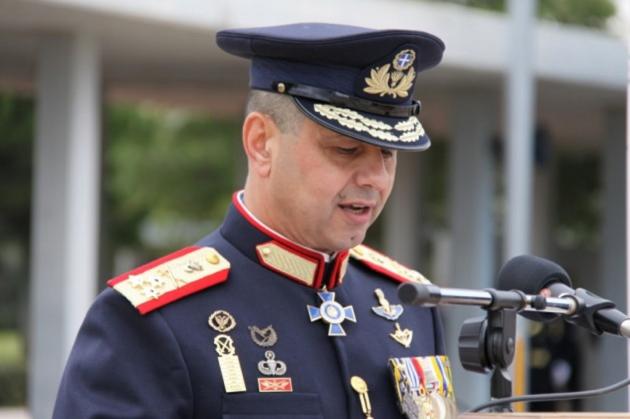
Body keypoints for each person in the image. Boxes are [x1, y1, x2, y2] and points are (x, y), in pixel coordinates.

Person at [53, 22, 456, 418]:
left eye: (387, 154)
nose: (375, 179)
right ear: (261, 143)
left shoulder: (410, 305)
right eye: (346, 150)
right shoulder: (153, 322)